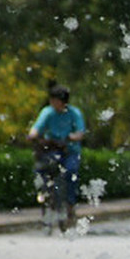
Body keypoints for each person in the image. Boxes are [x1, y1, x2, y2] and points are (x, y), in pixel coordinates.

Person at [27, 85, 87, 224]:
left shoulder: (74, 113)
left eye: (55, 100)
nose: (53, 103)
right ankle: (45, 193)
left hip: (69, 150)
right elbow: (37, 127)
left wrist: (73, 137)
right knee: (41, 168)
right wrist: (33, 135)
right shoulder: (48, 112)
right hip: (53, 148)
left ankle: (70, 204)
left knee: (70, 172)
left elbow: (80, 131)